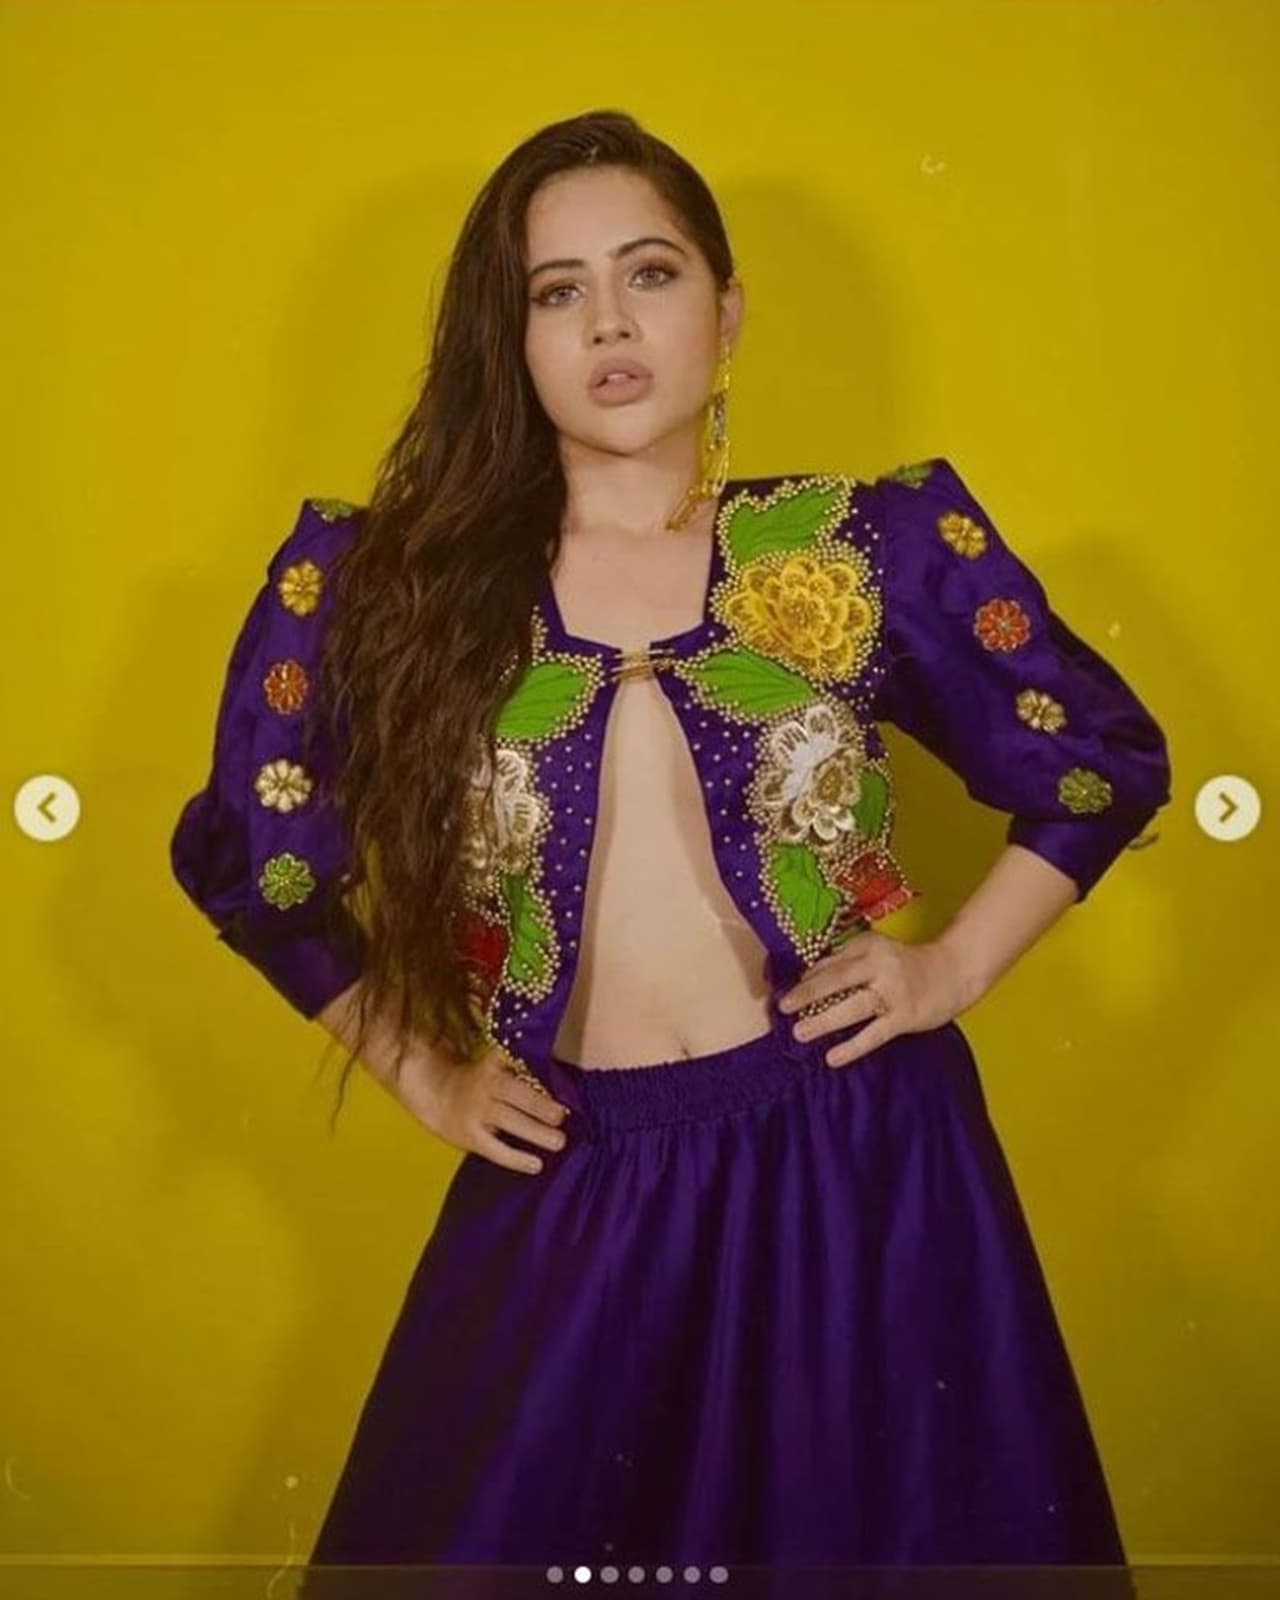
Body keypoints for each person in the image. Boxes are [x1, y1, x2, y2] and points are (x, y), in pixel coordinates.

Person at [170, 109, 1171, 1573]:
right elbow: (255, 870)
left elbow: (1096, 763)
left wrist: (950, 968)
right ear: (509, 337)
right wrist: (424, 1073)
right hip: (585, 1166)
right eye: (556, 291)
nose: (610, 323)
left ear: (727, 310)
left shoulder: (852, 550)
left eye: (650, 273)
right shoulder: (398, 590)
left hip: (863, 1161)